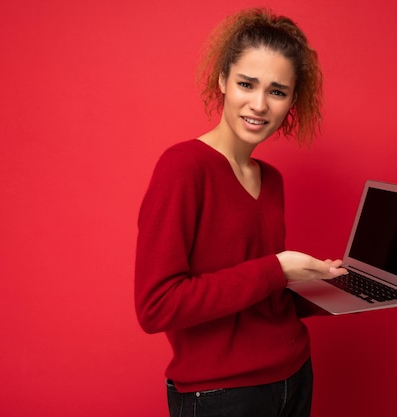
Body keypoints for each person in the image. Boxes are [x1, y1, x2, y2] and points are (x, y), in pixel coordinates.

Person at [135, 8, 347, 417]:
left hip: (295, 375)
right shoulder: (183, 167)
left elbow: (257, 295)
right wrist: (277, 268)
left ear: (292, 101)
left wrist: (329, 289)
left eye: (277, 91)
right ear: (222, 82)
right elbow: (157, 305)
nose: (259, 104)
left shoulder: (271, 180)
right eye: (246, 84)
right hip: (222, 396)